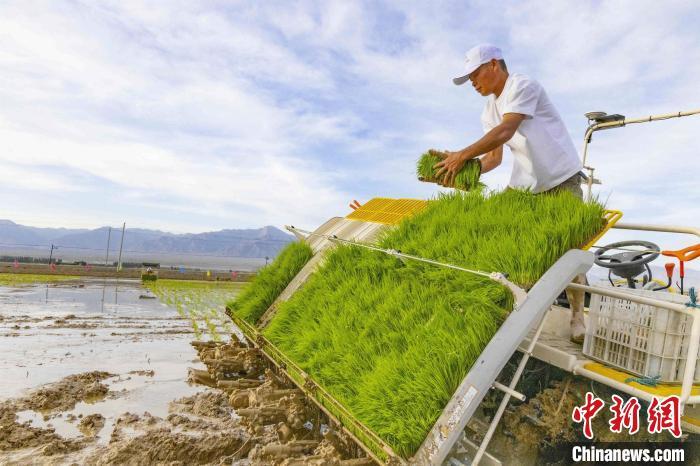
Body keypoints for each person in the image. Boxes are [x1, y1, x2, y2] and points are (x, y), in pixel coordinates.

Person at [435, 43, 587, 343]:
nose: (473, 84)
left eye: (475, 75)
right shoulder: (488, 110)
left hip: (561, 178)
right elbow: (494, 158)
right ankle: (504, 311)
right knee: (499, 239)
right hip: (525, 187)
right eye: (468, 80)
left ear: (494, 65)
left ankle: (577, 317)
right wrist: (460, 173)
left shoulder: (522, 85)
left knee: (568, 253)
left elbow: (506, 131)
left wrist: (462, 154)